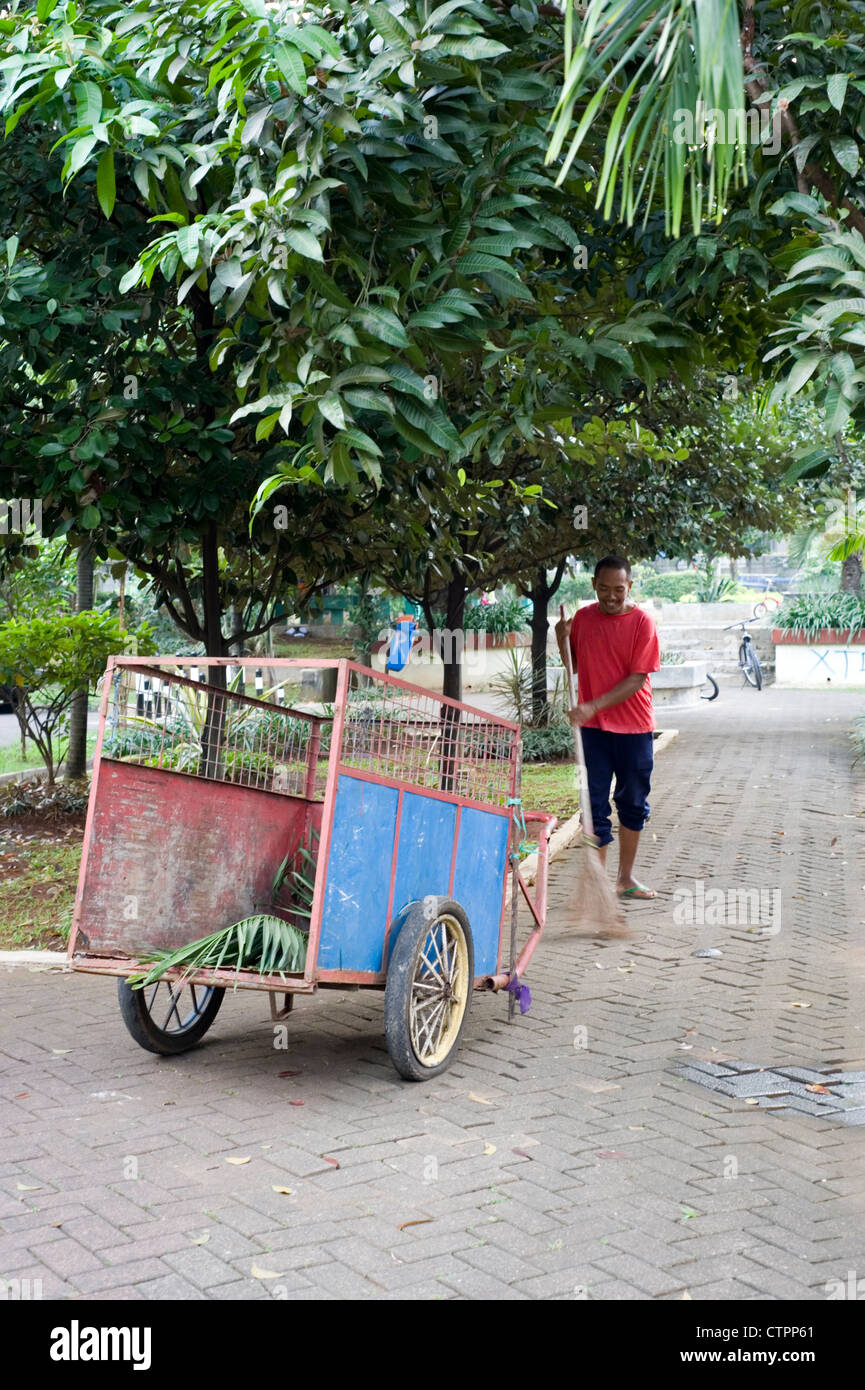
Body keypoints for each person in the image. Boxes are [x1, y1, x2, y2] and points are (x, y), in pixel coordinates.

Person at [555, 556, 660, 899]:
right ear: (593, 586)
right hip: (594, 732)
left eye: (618, 589)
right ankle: (600, 890)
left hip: (634, 729)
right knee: (593, 806)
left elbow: (637, 678)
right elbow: (572, 663)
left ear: (629, 586)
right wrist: (560, 639)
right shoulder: (584, 618)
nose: (611, 596)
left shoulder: (642, 622)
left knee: (632, 803)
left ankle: (625, 879)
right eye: (604, 589)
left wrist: (593, 705)